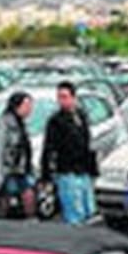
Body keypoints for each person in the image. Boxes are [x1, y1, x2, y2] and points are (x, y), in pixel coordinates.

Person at [41, 81, 97, 225]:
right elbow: (49, 148)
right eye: (59, 97)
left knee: (89, 209)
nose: (61, 101)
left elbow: (87, 143)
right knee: (73, 210)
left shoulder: (81, 116)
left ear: (73, 98)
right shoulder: (56, 121)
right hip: (67, 170)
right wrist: (46, 174)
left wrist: (92, 168)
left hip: (84, 170)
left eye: (65, 97)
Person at [0, 92, 35, 218]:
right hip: (7, 169)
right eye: (26, 106)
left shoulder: (21, 123)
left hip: (20, 169)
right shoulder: (4, 123)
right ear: (16, 106)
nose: (30, 109)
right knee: (5, 199)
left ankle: (29, 220)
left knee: (29, 195)